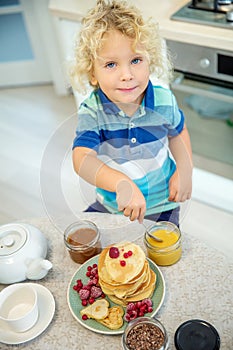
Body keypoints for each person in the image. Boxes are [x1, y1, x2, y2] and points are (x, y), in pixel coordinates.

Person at [70, 0, 193, 227]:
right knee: (89, 243)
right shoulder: (93, 111)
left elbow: (178, 133)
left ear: (150, 60)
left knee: (162, 255)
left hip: (163, 203)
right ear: (93, 74)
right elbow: (82, 159)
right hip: (114, 204)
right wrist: (121, 183)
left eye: (135, 60)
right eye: (111, 65)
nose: (127, 74)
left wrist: (185, 170)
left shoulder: (164, 101)